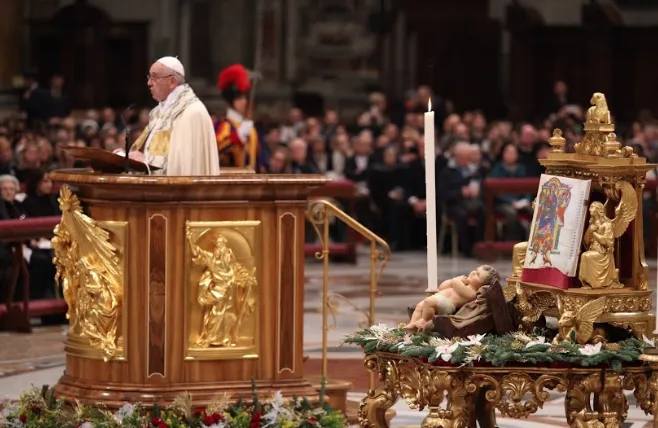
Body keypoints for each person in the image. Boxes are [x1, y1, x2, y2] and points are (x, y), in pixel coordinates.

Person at [124, 57, 219, 176]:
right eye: (149, 77)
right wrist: (126, 157)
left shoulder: (191, 112)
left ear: (172, 82)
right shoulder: (158, 112)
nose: (149, 83)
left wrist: (144, 163)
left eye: (155, 77)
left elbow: (184, 166)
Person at [403, 265, 500, 332]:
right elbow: (442, 287)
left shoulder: (472, 293)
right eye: (476, 270)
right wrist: (450, 282)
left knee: (428, 302)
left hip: (447, 305)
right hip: (438, 298)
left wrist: (455, 280)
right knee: (420, 306)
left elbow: (457, 286)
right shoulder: (463, 283)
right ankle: (412, 324)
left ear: (483, 284)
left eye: (478, 275)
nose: (473, 272)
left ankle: (424, 320)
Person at [214, 64, 266, 170]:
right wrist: (237, 136)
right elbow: (216, 151)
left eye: (244, 97)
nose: (244, 102)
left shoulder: (251, 128)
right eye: (239, 98)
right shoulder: (222, 125)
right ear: (231, 101)